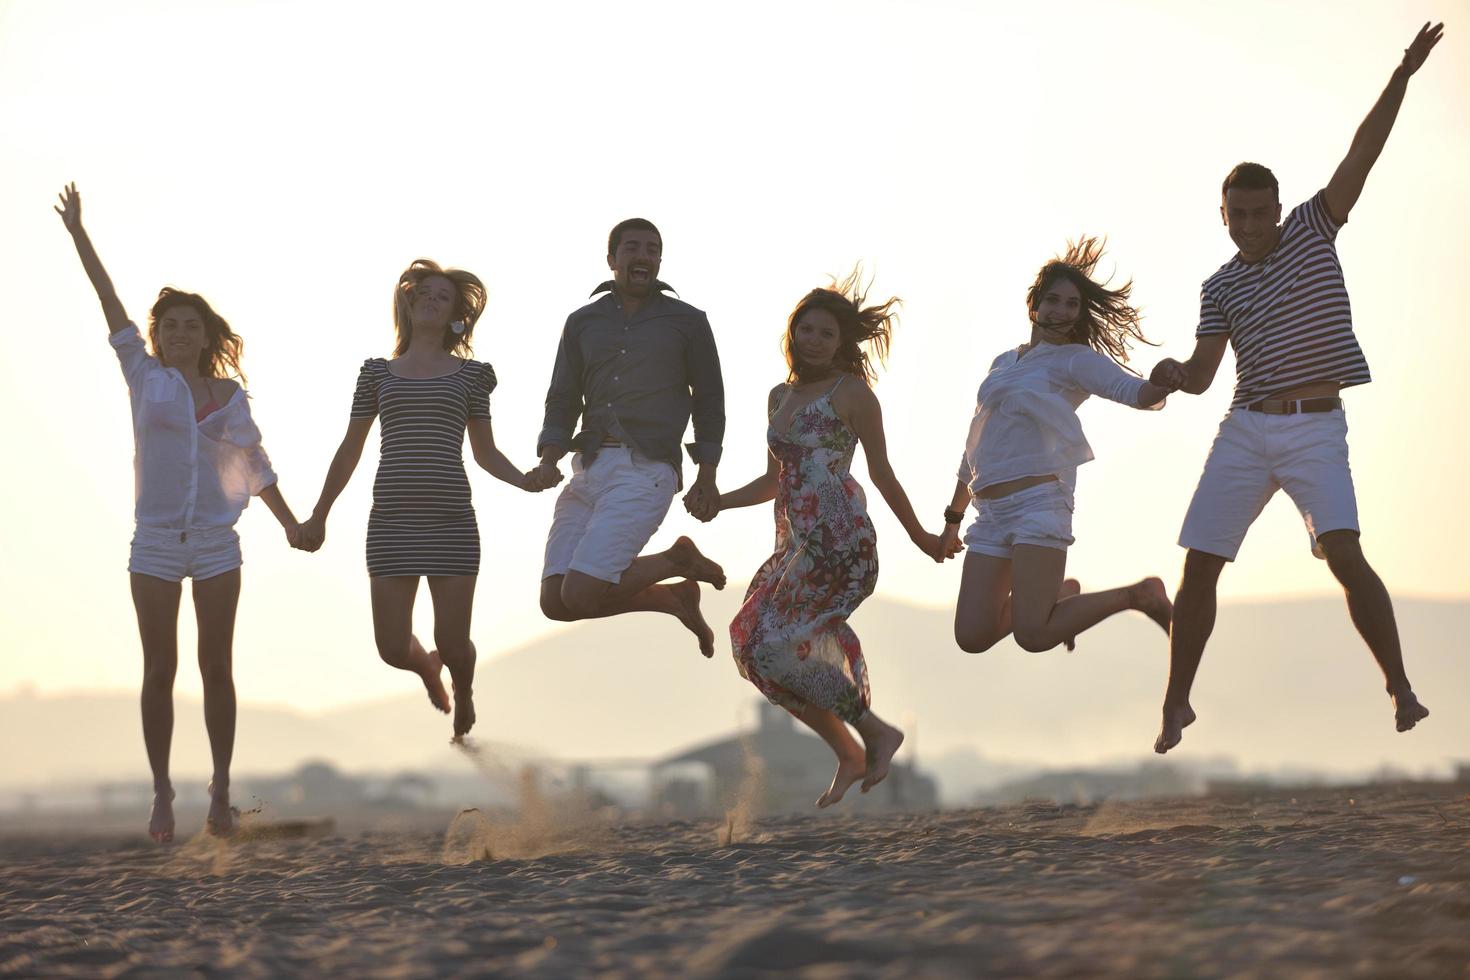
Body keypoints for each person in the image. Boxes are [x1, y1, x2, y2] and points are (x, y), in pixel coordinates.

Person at [1150, 23, 1443, 753]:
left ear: (1278, 209)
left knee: (1344, 553)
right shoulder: (1217, 288)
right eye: (1236, 214)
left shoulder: (1315, 227)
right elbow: (1204, 374)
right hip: (1246, 427)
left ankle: (1400, 688)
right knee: (1200, 565)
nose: (1249, 224)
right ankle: (1176, 703)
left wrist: (1403, 74)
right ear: (1222, 217)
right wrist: (1169, 379)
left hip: (1315, 426)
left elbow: (1363, 151)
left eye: (1259, 211)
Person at [57, 183, 303, 841]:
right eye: (171, 325)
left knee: (215, 666)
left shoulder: (229, 394)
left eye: (192, 325)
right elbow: (109, 303)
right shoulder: (144, 376)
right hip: (157, 542)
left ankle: (220, 790)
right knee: (159, 669)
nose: (182, 332)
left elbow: (254, 465)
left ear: (206, 335)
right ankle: (163, 792)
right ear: (158, 336)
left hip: (218, 543)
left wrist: (291, 523)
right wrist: (80, 234)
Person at [713, 271, 944, 807]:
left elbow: (883, 474)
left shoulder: (852, 394)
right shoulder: (779, 396)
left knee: (770, 647)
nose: (814, 340)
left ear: (841, 343)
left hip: (838, 539)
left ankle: (873, 735)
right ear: (792, 335)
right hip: (796, 542)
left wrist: (924, 538)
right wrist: (720, 501)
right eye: (806, 330)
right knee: (753, 646)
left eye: (826, 333)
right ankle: (853, 748)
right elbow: (776, 479)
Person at [298, 259, 551, 740]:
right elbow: (350, 448)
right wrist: (319, 514)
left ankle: (465, 688)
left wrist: (524, 479)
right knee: (393, 648)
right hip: (391, 522)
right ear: (409, 305)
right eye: (424, 293)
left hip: (451, 521)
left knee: (452, 641)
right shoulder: (377, 374)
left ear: (457, 314)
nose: (433, 299)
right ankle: (428, 671)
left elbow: (485, 451)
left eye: (444, 296)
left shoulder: (471, 377)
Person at [938, 238, 1177, 659]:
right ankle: (1060, 598)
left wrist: (1161, 384)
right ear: (1034, 305)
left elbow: (1130, 390)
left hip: (1037, 504)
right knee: (971, 636)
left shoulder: (1074, 360)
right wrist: (953, 519)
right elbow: (975, 444)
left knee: (1033, 635)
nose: (1060, 312)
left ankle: (1140, 594)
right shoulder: (1002, 363)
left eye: (1071, 305)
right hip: (989, 512)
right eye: (1052, 301)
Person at [529, 218, 727, 655]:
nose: (643, 256)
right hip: (590, 467)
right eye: (632, 248)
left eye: (652, 249)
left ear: (659, 260)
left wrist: (706, 475)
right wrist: (549, 459)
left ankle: (676, 560)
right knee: (555, 602)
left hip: (646, 470)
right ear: (612, 258)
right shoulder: (582, 322)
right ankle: (671, 597)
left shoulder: (687, 321)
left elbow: (709, 400)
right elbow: (562, 397)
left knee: (580, 594)